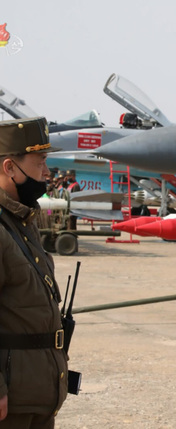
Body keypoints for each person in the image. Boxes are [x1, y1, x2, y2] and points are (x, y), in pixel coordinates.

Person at [0, 117, 69, 428]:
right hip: (10, 404)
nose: (46, 173)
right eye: (40, 161)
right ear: (10, 168)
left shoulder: (22, 222)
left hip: (35, 395)